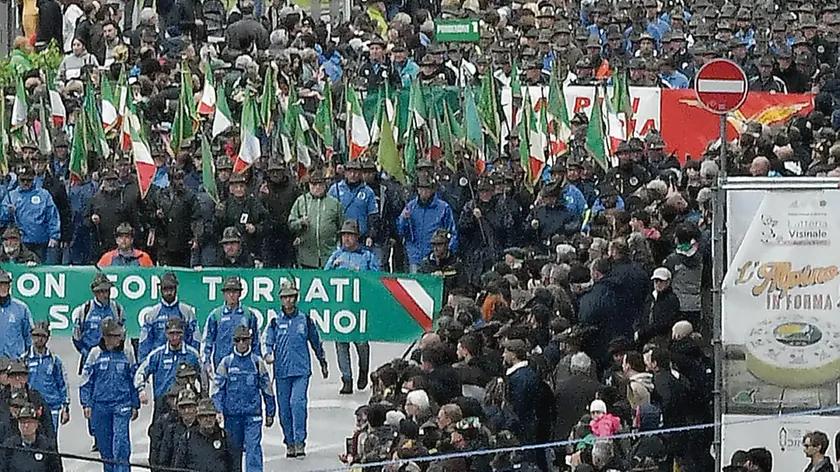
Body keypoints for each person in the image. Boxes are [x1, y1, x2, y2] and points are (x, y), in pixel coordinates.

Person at [264, 280, 329, 458]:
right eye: (285, 297)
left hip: (301, 371)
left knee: (297, 403)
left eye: (291, 297)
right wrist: (268, 355)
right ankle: (289, 442)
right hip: (282, 372)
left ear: (296, 298)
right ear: (281, 299)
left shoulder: (305, 319)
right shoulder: (275, 321)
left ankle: (300, 441)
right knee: (284, 409)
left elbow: (316, 341)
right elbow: (267, 342)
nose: (289, 301)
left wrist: (322, 361)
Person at [211, 324, 276, 471]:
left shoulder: (257, 362)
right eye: (238, 340)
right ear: (233, 341)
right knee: (233, 451)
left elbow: (268, 389)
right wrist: (218, 410)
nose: (241, 343)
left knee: (253, 449)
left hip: (252, 415)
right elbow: (216, 390)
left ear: (250, 341)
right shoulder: (226, 363)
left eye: (245, 340)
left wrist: (270, 412)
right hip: (232, 416)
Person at [324, 219, 378, 394]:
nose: (346, 238)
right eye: (344, 235)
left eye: (350, 235)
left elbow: (378, 278)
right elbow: (322, 277)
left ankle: (363, 370)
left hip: (360, 305)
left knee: (361, 343)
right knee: (341, 343)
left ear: (357, 237)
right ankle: (346, 378)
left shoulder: (367, 256)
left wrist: (361, 273)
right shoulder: (336, 255)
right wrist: (333, 266)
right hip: (340, 306)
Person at [79, 317, 140, 472]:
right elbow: (86, 380)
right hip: (100, 406)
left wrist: (135, 403)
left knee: (121, 444)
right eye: (115, 336)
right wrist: (86, 403)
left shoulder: (127, 352)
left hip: (121, 404)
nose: (119, 339)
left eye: (120, 335)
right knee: (105, 448)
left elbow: (134, 378)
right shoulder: (95, 354)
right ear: (106, 337)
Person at [135, 317, 202, 424]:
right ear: (166, 334)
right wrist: (141, 390)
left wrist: (203, 398)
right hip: (162, 403)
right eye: (171, 333)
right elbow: (141, 372)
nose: (175, 337)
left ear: (183, 333)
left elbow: (203, 378)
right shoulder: (157, 354)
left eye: (178, 333)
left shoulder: (192, 355)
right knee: (157, 436)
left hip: (186, 404)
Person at [398, 174, 458, 273]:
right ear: (417, 190)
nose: (424, 192)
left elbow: (452, 232)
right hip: (415, 258)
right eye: (421, 189)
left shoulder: (443, 208)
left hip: (436, 259)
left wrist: (449, 254)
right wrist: (404, 219)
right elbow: (401, 231)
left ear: (433, 190)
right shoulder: (410, 207)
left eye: (427, 189)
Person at [0, 165, 61, 262]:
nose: (25, 183)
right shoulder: (11, 195)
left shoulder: (44, 195)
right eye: (22, 180)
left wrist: (54, 236)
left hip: (41, 241)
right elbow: (2, 218)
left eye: (28, 180)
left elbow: (52, 216)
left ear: (34, 179)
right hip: (20, 243)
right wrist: (8, 211)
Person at [137, 272, 200, 363]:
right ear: (160, 290)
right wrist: (144, 363)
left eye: (171, 288)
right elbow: (144, 342)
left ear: (176, 289)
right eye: (165, 289)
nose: (169, 292)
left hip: (183, 362)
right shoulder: (152, 314)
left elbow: (195, 339)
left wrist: (192, 360)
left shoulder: (187, 311)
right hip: (158, 363)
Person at [202, 276, 261, 373]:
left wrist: (258, 361)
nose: (231, 295)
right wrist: (207, 362)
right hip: (221, 364)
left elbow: (256, 341)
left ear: (240, 294)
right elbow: (208, 341)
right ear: (224, 294)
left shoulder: (248, 314)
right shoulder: (216, 315)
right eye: (228, 292)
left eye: (235, 292)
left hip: (245, 363)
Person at [288, 168, 344, 269]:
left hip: (329, 255)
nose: (317, 187)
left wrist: (339, 247)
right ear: (309, 185)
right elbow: (291, 223)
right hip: (306, 257)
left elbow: (341, 227)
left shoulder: (334, 203)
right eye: (314, 184)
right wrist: (300, 222)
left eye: (320, 184)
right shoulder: (301, 201)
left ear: (325, 185)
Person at [24, 321, 70, 437]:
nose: (39, 339)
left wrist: (65, 407)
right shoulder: (24, 359)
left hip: (51, 407)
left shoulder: (54, 360)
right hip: (31, 406)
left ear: (48, 337)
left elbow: (63, 384)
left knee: (51, 439)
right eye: (36, 335)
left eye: (42, 336)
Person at [174, 398, 241, 472]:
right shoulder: (188, 437)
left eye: (211, 416)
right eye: (204, 416)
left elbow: (235, 465)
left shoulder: (224, 436)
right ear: (198, 419)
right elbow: (179, 467)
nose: (208, 419)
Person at [0, 404, 63, 472]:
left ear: (36, 424)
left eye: (29, 422)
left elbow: (56, 469)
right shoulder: (9, 446)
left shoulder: (47, 446)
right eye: (22, 422)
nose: (26, 426)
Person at [328, 159, 378, 243]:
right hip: (340, 237)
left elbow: (372, 216)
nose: (353, 175)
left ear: (360, 173)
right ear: (345, 172)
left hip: (360, 237)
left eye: (356, 172)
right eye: (350, 171)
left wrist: (370, 235)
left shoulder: (368, 192)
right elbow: (329, 212)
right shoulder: (335, 189)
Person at [419, 228, 463, 301]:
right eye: (434, 245)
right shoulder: (426, 264)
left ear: (446, 245)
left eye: (439, 245)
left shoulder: (455, 264)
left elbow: (463, 287)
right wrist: (431, 278)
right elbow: (420, 284)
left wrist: (452, 294)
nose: (436, 248)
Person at [0, 270, 33, 359]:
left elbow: (29, 337)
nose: (3, 287)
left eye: (5, 284)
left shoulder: (21, 308)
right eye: (0, 285)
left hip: (15, 364)